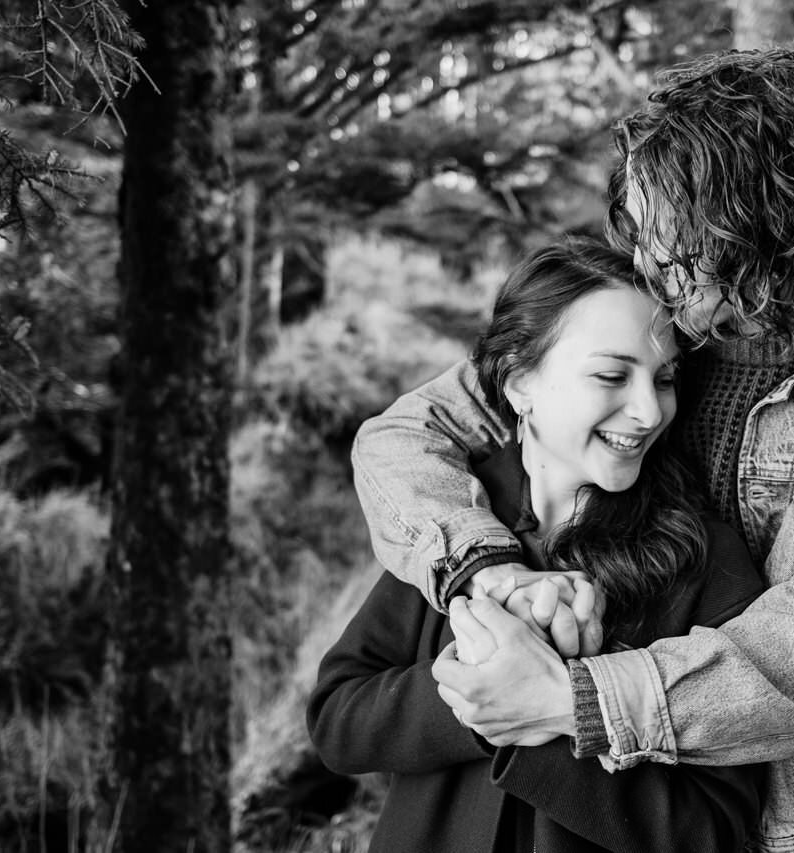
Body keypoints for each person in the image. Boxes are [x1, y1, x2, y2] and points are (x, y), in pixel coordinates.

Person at [350, 48, 794, 852]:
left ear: (766, 229)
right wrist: (488, 569)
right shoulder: (648, 315)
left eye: (672, 234)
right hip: (599, 803)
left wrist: (574, 700)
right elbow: (408, 435)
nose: (646, 260)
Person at [309, 239, 768, 853]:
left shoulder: (702, 557)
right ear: (520, 381)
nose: (646, 410)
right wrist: (473, 699)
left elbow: (715, 828)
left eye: (663, 379)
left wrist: (549, 710)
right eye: (611, 375)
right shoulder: (456, 519)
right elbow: (338, 720)